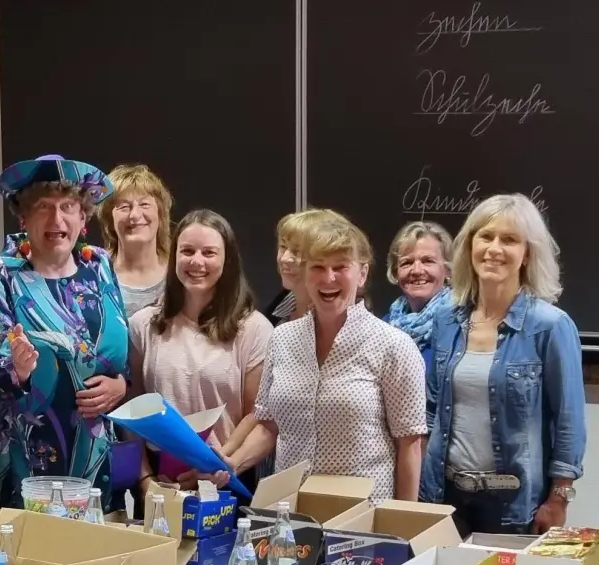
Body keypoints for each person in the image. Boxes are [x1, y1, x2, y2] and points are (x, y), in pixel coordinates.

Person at [225, 210, 426, 502]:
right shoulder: (282, 338)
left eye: (340, 266)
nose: (328, 278)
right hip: (289, 512)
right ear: (305, 274)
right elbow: (268, 425)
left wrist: (402, 519)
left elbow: (410, 443)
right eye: (318, 267)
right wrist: (234, 464)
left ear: (362, 273)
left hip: (361, 514)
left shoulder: (393, 345)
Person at [0, 154, 130, 509]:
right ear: (23, 217)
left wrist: (121, 385)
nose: (56, 219)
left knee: (101, 540)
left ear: (83, 217)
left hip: (99, 457)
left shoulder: (99, 265)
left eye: (68, 207)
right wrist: (18, 369)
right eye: (43, 207)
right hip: (32, 460)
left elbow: (121, 352)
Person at [423, 194, 585, 536]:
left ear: (527, 253)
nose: (494, 249)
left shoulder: (550, 326)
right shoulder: (445, 320)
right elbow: (432, 409)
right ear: (470, 245)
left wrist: (558, 499)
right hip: (444, 498)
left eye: (509, 239)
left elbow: (568, 420)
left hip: (514, 505)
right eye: (486, 236)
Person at [128, 210, 273, 490]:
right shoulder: (143, 324)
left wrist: (218, 463)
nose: (196, 261)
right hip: (160, 480)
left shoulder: (254, 328)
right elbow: (131, 410)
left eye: (209, 253)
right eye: (187, 251)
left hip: (224, 474)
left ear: (227, 260)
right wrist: (145, 480)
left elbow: (258, 413)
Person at [97, 164, 173, 316]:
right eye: (124, 207)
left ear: (160, 214)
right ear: (109, 219)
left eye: (144, 204)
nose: (135, 215)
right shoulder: (96, 275)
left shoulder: (180, 272)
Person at [384, 220, 455, 357]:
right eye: (407, 262)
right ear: (395, 272)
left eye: (428, 261)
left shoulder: (460, 325)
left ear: (447, 269)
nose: (417, 270)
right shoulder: (386, 325)